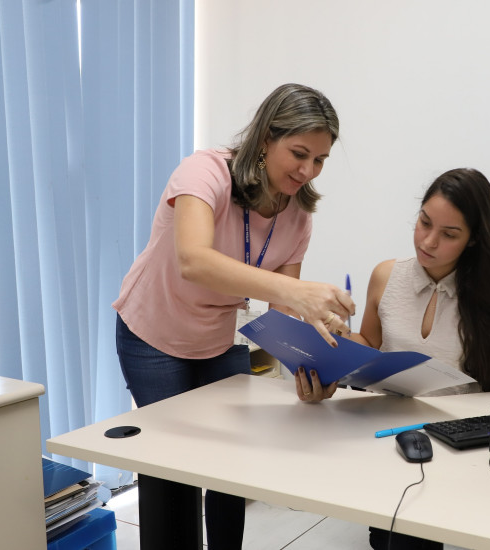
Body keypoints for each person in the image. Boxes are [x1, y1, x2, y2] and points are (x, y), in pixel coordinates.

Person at [113, 83, 354, 549]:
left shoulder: (298, 215)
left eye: (320, 160)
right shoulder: (205, 173)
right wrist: (298, 292)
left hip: (216, 339)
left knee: (232, 465)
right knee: (172, 469)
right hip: (153, 333)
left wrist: (314, 373)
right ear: (265, 139)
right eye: (299, 153)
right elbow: (194, 260)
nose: (308, 171)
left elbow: (281, 318)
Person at [348, 167, 490, 549]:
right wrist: (337, 337)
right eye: (424, 223)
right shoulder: (386, 275)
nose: (429, 241)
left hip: (453, 441)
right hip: (390, 432)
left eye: (449, 234)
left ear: (472, 240)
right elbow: (369, 340)